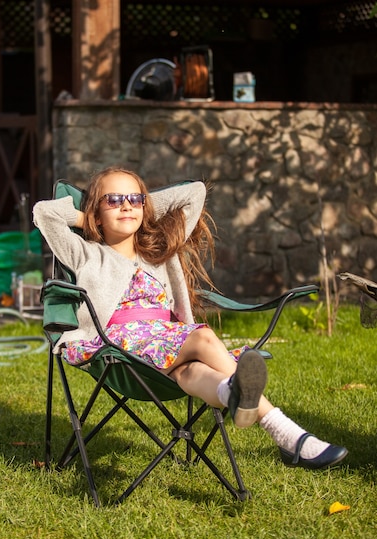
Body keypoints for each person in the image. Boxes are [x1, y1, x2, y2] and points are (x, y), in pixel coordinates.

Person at [33, 166, 348, 470]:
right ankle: (288, 435)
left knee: (191, 372)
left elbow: (195, 193)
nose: (126, 206)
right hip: (116, 346)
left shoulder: (158, 250)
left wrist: (145, 208)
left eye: (135, 199)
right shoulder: (85, 252)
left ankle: (234, 394)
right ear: (96, 211)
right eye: (114, 200)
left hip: (166, 345)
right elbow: (44, 214)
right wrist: (85, 218)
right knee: (203, 337)